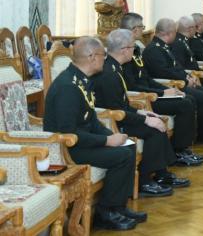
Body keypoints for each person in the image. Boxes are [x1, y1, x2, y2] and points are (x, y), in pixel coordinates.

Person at [43, 37, 143, 231]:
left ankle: (118, 206)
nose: (105, 59)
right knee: (122, 156)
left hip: (82, 141)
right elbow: (68, 133)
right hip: (67, 148)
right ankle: (106, 213)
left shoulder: (81, 80)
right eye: (103, 55)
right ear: (92, 57)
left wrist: (111, 136)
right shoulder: (68, 87)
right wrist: (107, 141)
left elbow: (91, 120)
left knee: (128, 147)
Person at [91, 29, 190, 196]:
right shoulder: (109, 74)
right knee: (153, 130)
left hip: (121, 115)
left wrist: (142, 113)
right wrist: (145, 120)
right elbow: (116, 110)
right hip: (111, 122)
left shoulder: (114, 68)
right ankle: (144, 182)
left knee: (157, 123)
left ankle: (161, 174)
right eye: (132, 47)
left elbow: (122, 103)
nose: (134, 50)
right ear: (124, 50)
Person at [120, 13, 203, 159]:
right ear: (135, 29)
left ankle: (184, 147)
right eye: (142, 27)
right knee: (185, 103)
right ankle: (180, 151)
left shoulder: (135, 51)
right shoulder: (125, 56)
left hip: (151, 92)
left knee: (187, 99)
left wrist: (166, 90)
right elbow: (133, 86)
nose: (143, 30)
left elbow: (147, 79)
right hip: (144, 99)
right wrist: (161, 93)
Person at [142, 18, 203, 144]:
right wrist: (185, 80)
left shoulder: (163, 46)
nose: (176, 34)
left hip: (179, 81)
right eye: (175, 32)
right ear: (169, 33)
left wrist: (188, 76)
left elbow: (178, 67)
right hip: (170, 85)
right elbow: (164, 72)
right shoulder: (153, 50)